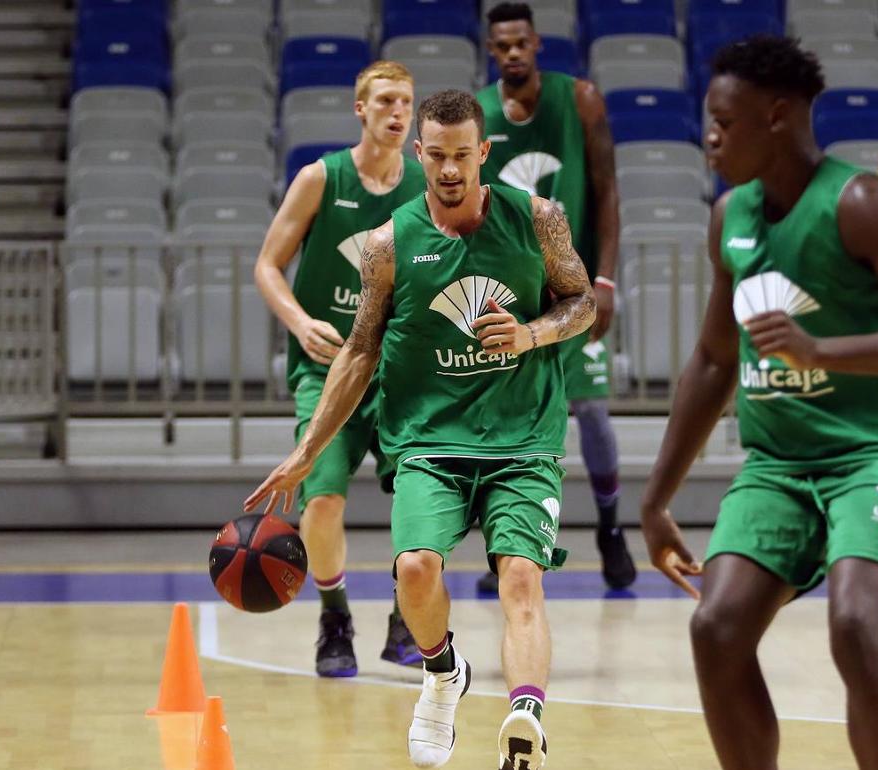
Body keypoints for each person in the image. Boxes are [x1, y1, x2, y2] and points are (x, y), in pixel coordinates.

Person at [639, 36, 878, 770]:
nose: (710, 138)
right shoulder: (729, 215)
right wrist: (657, 495)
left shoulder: (862, 203)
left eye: (724, 123)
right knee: (716, 627)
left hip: (877, 452)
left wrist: (823, 352)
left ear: (777, 116)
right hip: (779, 462)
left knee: (856, 624)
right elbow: (712, 358)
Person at [245, 89, 596, 770]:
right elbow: (358, 351)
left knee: (521, 576)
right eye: (436, 155)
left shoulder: (539, 218)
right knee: (413, 570)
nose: (449, 169)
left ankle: (525, 720)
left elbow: (581, 301)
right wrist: (305, 451)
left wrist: (530, 333)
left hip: (522, 437)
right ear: (420, 155)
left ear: (484, 153)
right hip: (430, 440)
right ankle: (443, 673)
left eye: (463, 155)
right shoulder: (388, 244)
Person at [252, 60, 425, 675]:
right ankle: (335, 618)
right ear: (361, 108)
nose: (397, 112)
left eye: (405, 101)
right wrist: (300, 321)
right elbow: (268, 266)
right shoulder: (321, 177)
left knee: (423, 499)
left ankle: (408, 618)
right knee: (321, 501)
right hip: (325, 370)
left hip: (402, 374)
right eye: (384, 101)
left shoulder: (428, 186)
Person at [474, 1, 636, 592]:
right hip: (510, 299)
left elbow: (608, 191)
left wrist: (606, 278)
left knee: (591, 411)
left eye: (521, 43)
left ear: (537, 44)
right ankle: (508, 547)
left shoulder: (581, 99)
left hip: (574, 289)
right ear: (491, 50)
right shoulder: (480, 115)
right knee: (506, 423)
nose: (512, 53)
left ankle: (612, 528)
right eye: (502, 45)